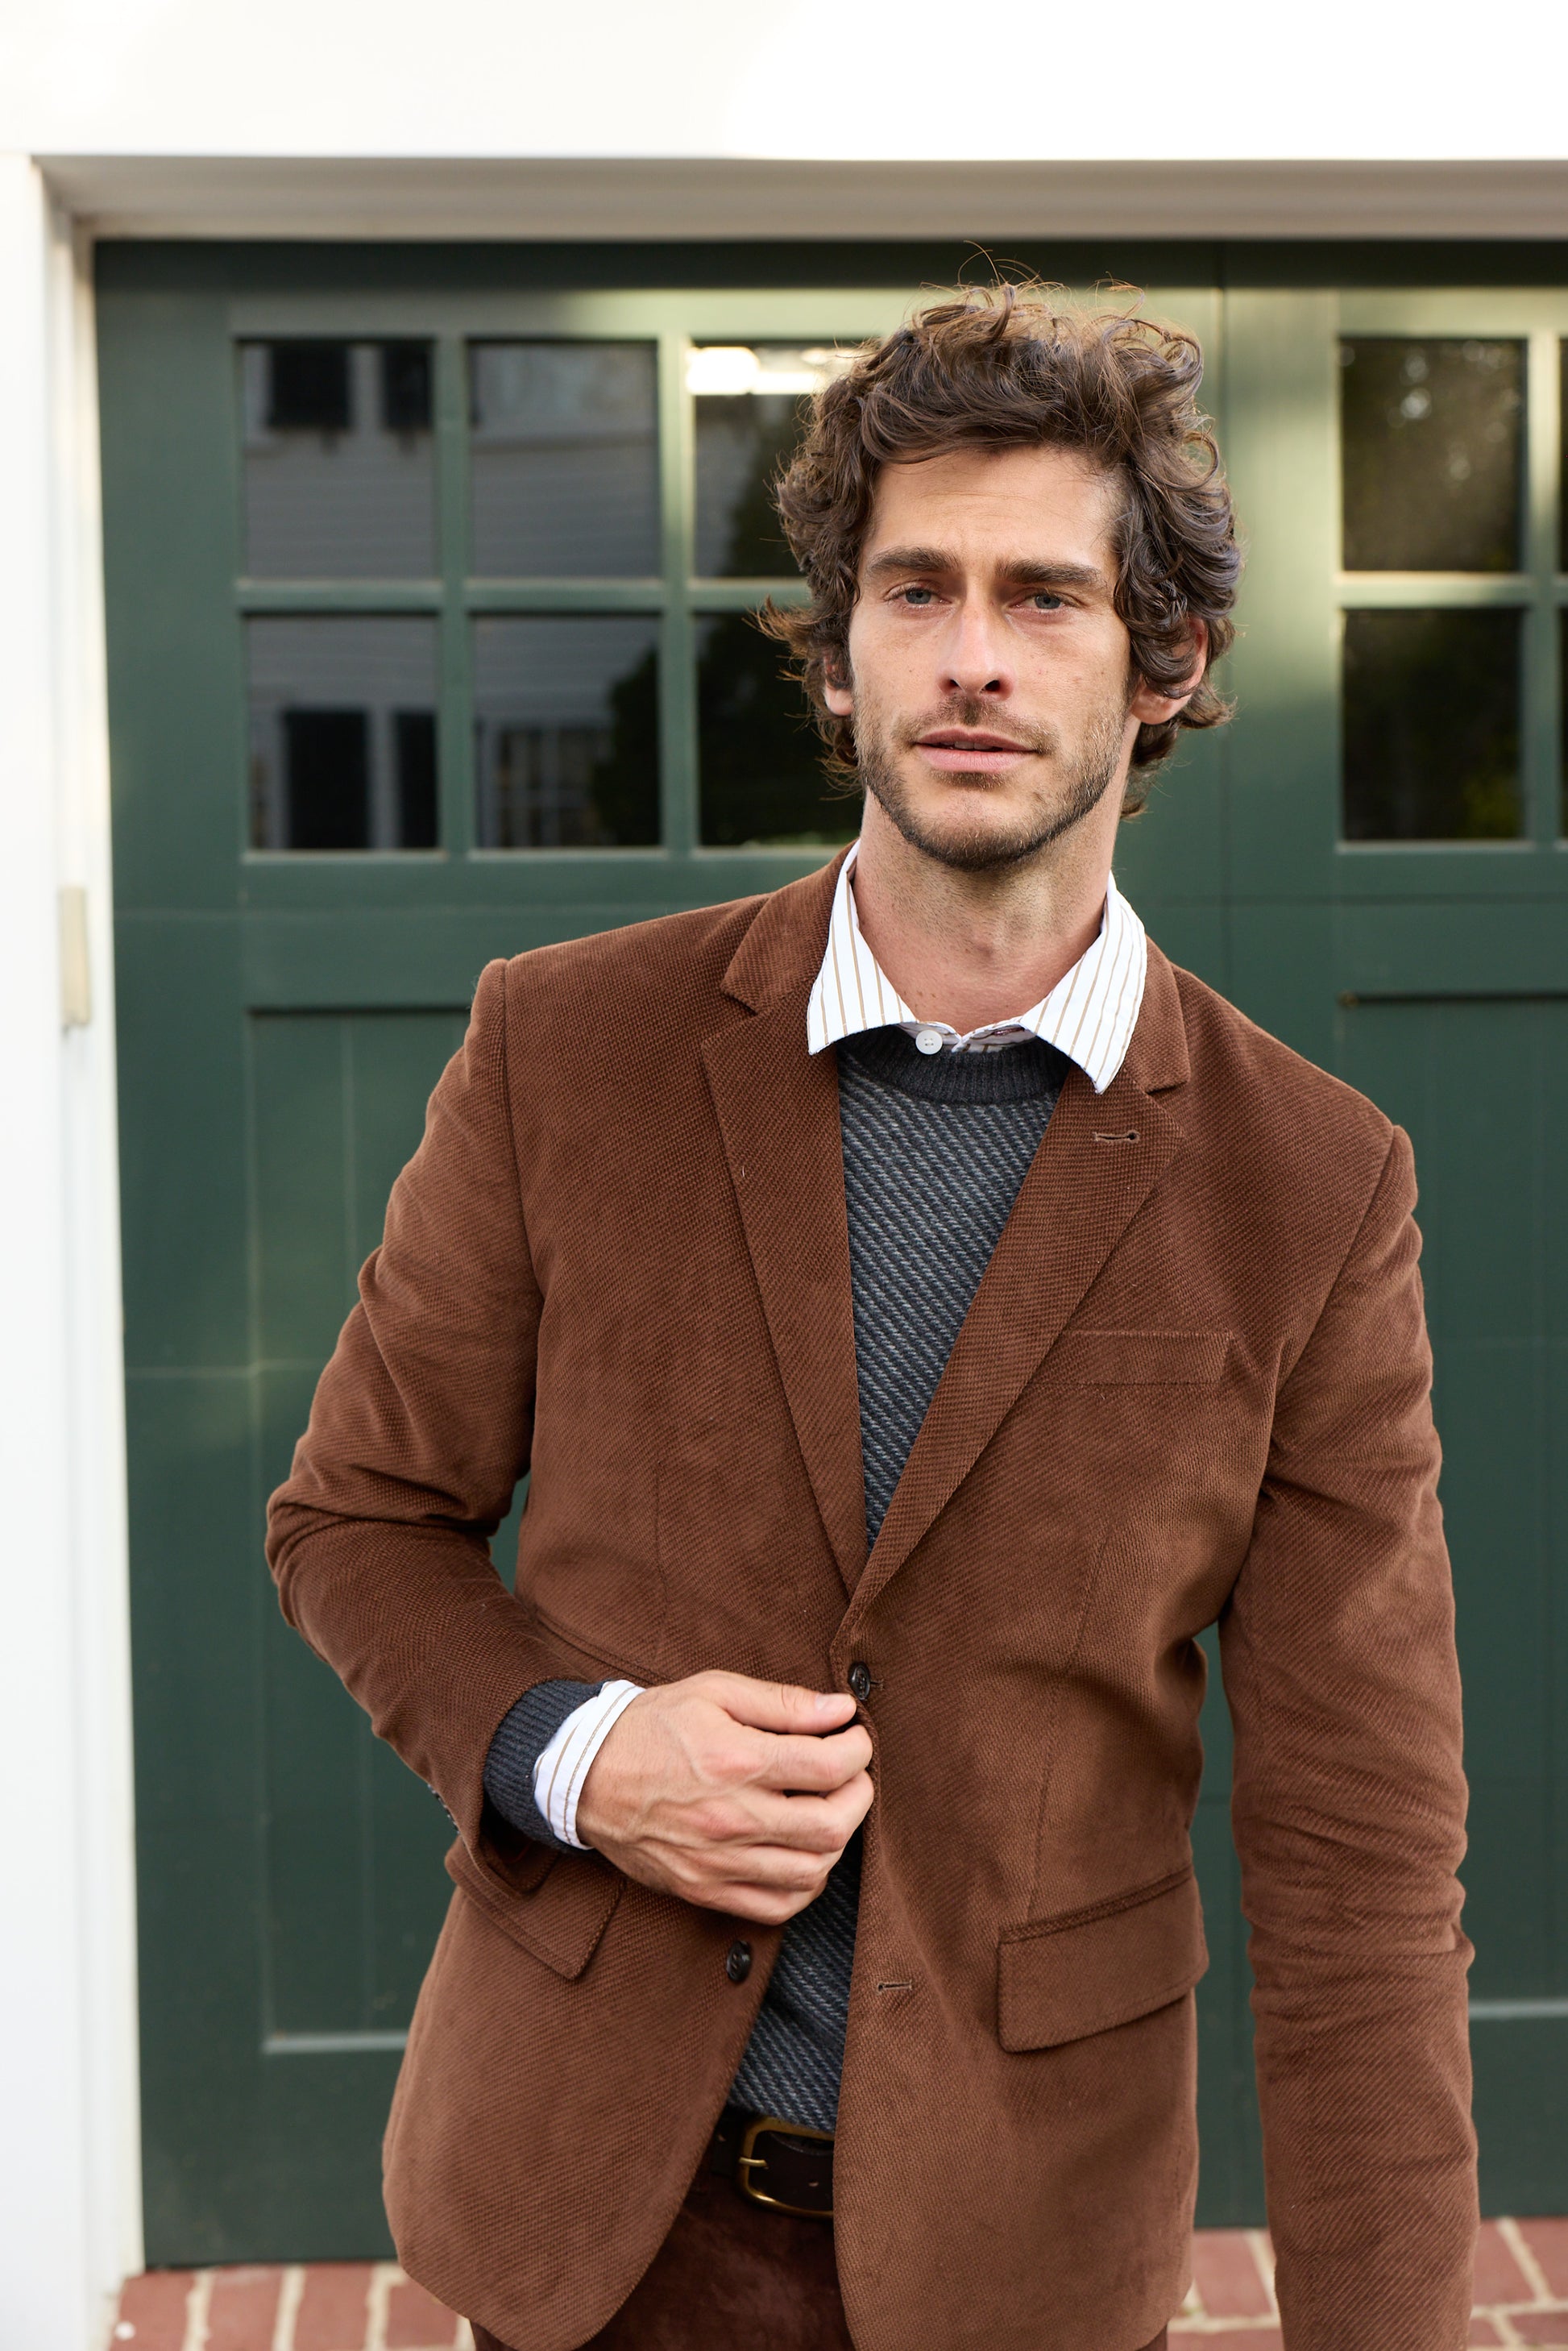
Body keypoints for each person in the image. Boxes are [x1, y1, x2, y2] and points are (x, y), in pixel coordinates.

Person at [267, 285, 1477, 2351]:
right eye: (915, 589)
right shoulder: (566, 1049)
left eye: (1044, 596)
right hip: (590, 2225)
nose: (972, 655)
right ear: (836, 653)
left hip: (1025, 2256)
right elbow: (354, 1519)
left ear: (1166, 659)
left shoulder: (1313, 1182)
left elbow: (1357, 1856)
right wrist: (575, 1749)